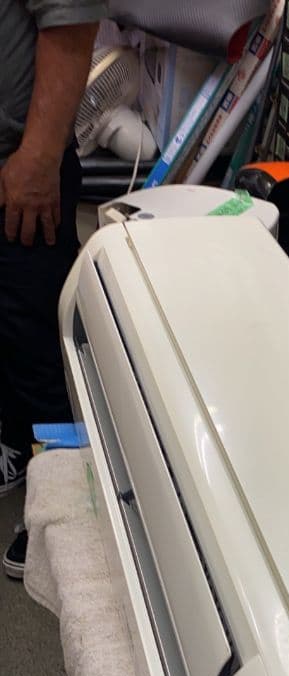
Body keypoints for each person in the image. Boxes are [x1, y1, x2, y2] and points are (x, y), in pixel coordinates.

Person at [0, 0, 106, 578]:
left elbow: (70, 16)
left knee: (37, 336)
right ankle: (18, 448)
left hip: (20, 161)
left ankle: (65, 514)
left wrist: (40, 160)